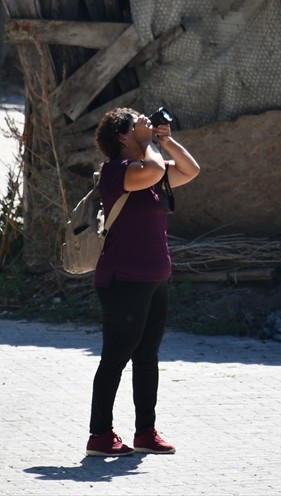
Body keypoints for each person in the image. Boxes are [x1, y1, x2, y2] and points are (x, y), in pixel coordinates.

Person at [86, 107, 200, 457]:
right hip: (123, 279)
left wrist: (166, 140)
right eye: (138, 121)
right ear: (123, 136)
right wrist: (150, 144)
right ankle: (100, 435)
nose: (146, 122)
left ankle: (145, 432)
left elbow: (190, 170)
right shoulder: (117, 171)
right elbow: (151, 169)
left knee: (147, 357)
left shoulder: (150, 171)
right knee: (116, 357)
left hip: (155, 278)